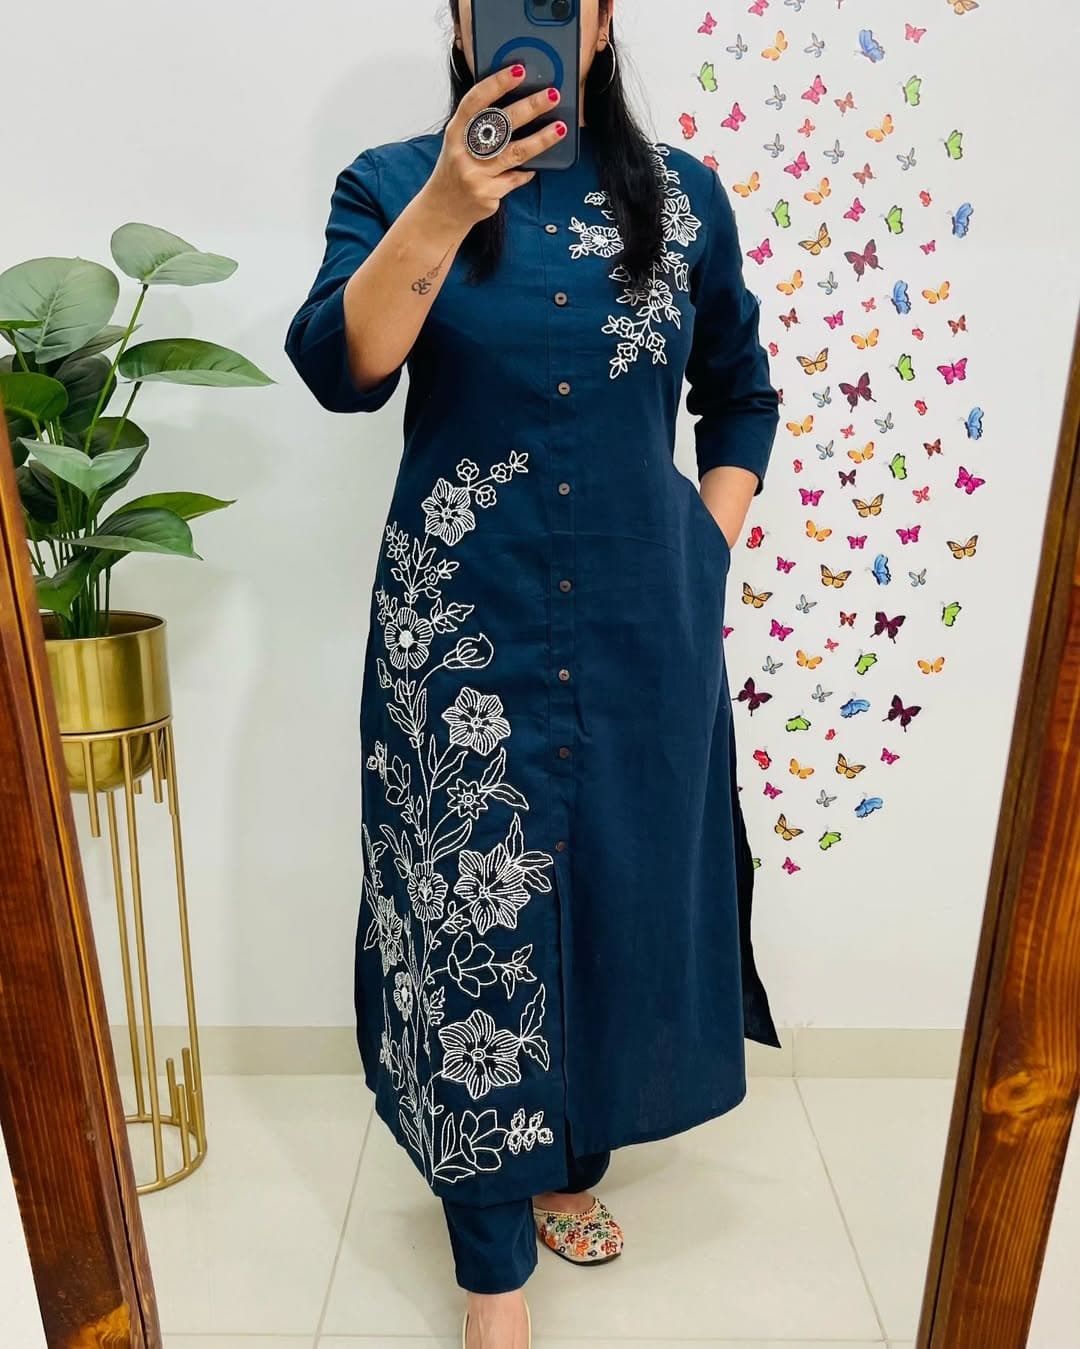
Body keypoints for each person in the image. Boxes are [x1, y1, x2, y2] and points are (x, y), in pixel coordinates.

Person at [284, 3, 782, 1345]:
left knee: (616, 898)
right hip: (461, 635)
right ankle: (491, 1268)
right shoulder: (393, 185)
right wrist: (451, 204)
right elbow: (341, 368)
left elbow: (741, 393)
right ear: (458, 20)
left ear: (604, 25)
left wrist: (703, 548)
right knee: (469, 928)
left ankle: (565, 1157)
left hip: (639, 631)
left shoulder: (684, 200)